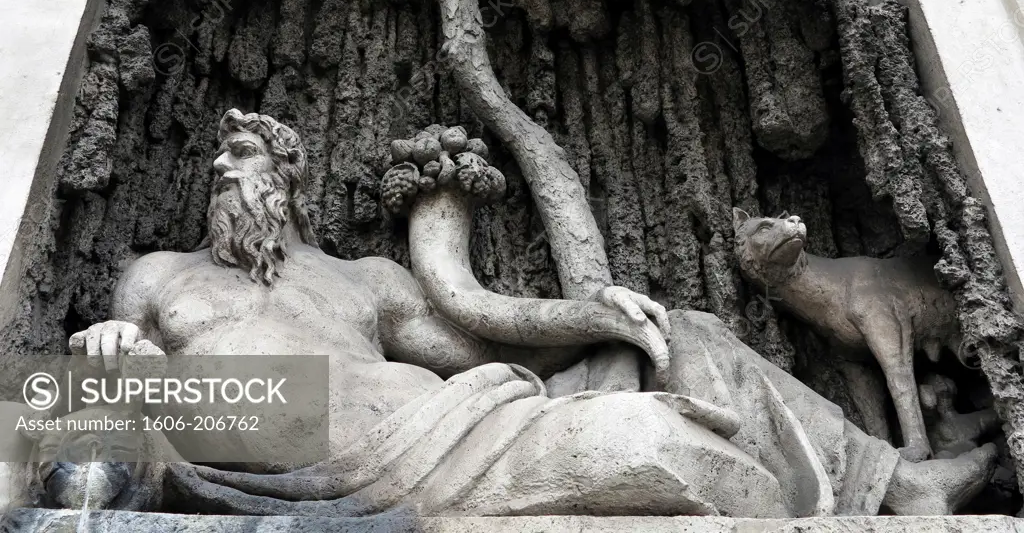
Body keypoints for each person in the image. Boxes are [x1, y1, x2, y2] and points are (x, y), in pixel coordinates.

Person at [59, 110, 994, 517]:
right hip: (285, 434)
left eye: (244, 156)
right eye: (218, 161)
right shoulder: (160, 275)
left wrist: (598, 315)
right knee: (678, 453)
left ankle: (891, 484)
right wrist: (109, 348)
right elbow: (82, 406)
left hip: (446, 420)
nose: (223, 170)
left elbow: (479, 333)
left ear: (289, 177)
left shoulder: (364, 278)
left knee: (692, 335)